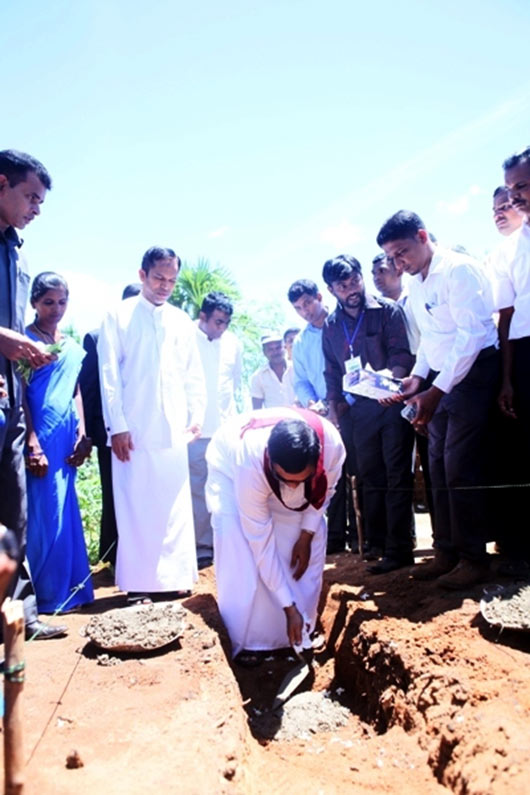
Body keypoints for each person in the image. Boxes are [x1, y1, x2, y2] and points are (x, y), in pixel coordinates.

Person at [377, 210, 499, 588]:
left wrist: (437, 390)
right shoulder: (418, 284)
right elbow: (431, 340)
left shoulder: (459, 271)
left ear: (423, 235)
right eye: (392, 259)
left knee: (459, 466)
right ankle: (445, 552)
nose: (399, 263)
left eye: (402, 252)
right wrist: (417, 378)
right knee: (437, 468)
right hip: (441, 382)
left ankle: (474, 558)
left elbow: (471, 336)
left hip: (472, 375)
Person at [98, 247, 206, 603]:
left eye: (172, 280)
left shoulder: (180, 321)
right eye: (159, 278)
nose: (165, 286)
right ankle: (140, 584)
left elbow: (193, 372)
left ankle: (174, 578)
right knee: (136, 505)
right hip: (134, 429)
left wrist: (196, 415)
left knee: (174, 506)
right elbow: (109, 375)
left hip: (174, 427)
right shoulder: (118, 315)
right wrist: (118, 427)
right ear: (142, 275)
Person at [205, 407, 345, 661]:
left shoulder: (332, 445)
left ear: (316, 462)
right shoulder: (249, 460)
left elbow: (325, 491)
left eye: (299, 480)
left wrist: (306, 535)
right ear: (272, 461)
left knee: (303, 549)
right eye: (286, 479)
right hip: (231, 471)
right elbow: (259, 539)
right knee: (239, 547)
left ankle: (295, 636)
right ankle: (245, 641)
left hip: (277, 476)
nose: (292, 486)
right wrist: (287, 606)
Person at [0, 149, 66, 639]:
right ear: (1, 184)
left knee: (13, 505)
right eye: (30, 197)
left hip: (9, 392)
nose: (36, 209)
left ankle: (20, 616)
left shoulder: (14, 251)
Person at [322, 255, 416, 573]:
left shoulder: (387, 312)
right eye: (342, 285)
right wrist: (336, 407)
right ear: (331, 289)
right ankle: (376, 544)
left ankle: (400, 549)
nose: (351, 289)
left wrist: (394, 379)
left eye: (354, 281)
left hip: (390, 401)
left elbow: (402, 353)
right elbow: (332, 372)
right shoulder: (332, 327)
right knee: (369, 475)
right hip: (359, 410)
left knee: (396, 473)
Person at [24, 273, 94, 613]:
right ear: (34, 302)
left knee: (66, 509)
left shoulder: (69, 344)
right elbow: (22, 392)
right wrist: (32, 440)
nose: (56, 309)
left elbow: (76, 389)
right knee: (44, 511)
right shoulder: (24, 340)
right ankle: (45, 596)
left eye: (62, 302)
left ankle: (72, 591)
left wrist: (82, 433)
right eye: (48, 302)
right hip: (40, 434)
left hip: (67, 435)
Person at [288, 278, 353, 554]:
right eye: (298, 308)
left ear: (318, 297)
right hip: (323, 417)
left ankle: (367, 538)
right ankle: (335, 538)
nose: (305, 311)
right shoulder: (302, 341)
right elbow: (301, 380)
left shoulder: (345, 323)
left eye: (307, 303)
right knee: (331, 475)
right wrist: (313, 403)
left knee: (361, 472)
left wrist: (343, 401)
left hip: (353, 406)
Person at [79, 283, 141, 568]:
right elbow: (91, 388)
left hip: (145, 431)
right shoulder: (96, 336)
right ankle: (112, 555)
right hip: (109, 432)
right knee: (113, 492)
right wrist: (94, 434)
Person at [491, 148, 530, 571]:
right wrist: (507, 380)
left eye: (522, 186)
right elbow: (506, 318)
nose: (516, 196)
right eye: (512, 188)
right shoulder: (508, 252)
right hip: (523, 356)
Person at [188, 291, 242, 570]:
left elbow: (234, 388)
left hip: (225, 431)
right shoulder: (184, 339)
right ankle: (202, 549)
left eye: (226, 323)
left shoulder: (233, 344)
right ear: (203, 317)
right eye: (218, 322)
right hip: (195, 431)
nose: (222, 328)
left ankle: (228, 545)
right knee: (197, 492)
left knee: (227, 489)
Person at [250, 333, 296, 408]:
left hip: (300, 416)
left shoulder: (297, 369)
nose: (275, 352)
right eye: (270, 349)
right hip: (275, 419)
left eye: (278, 348)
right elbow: (257, 409)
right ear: (264, 352)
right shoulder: (258, 377)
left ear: (284, 348)